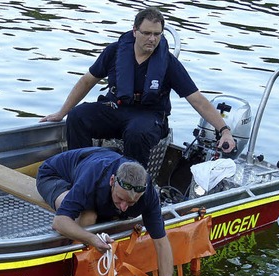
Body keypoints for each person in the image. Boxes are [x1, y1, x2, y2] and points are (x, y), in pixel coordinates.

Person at [40, 7, 236, 167]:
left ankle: (131, 191)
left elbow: (197, 100)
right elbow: (86, 81)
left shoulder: (167, 62)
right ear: (135, 31)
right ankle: (82, 171)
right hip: (116, 107)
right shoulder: (114, 52)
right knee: (78, 116)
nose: (152, 39)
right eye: (147, 33)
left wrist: (224, 130)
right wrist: (61, 113)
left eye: (157, 34)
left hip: (149, 117)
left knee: (136, 132)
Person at [36, 147, 180, 276]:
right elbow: (59, 222)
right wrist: (92, 239)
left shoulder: (149, 195)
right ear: (112, 181)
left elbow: (162, 243)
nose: (124, 207)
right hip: (54, 176)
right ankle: (76, 271)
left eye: (131, 203)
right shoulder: (93, 177)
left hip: (91, 176)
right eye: (120, 199)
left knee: (104, 217)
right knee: (88, 217)